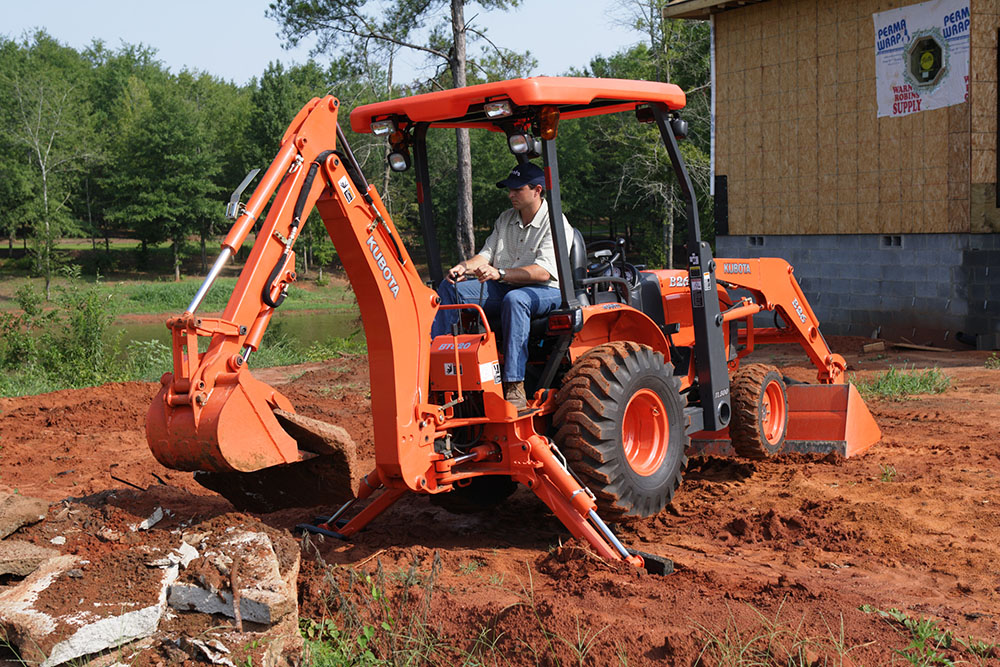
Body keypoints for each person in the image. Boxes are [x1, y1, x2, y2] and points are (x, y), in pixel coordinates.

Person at [431, 162, 573, 409]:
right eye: (510, 189)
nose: (510, 195)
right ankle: (436, 367)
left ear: (537, 190)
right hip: (506, 284)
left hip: (548, 291)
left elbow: (543, 272)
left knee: (516, 300)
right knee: (450, 287)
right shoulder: (505, 219)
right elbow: (484, 256)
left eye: (517, 190)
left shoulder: (555, 222)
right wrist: (463, 267)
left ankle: (514, 385)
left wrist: (501, 272)